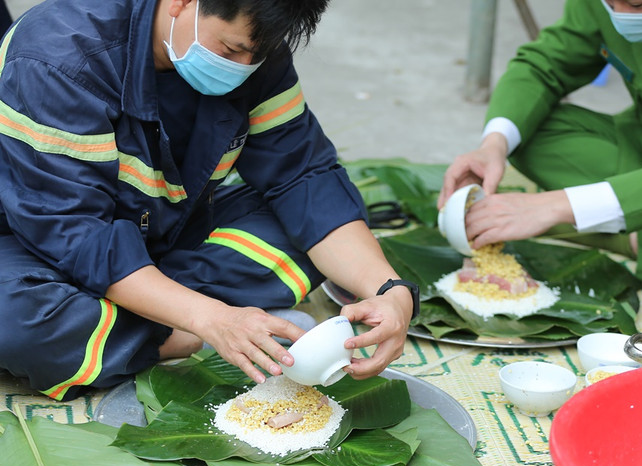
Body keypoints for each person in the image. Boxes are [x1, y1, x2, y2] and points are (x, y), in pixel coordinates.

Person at [0, 0, 418, 401]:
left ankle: (140, 319)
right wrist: (209, 319)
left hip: (163, 230)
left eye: (254, 56)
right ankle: (180, 336)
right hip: (34, 243)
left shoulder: (255, 48)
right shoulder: (58, 59)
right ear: (184, 2)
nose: (242, 70)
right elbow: (74, 233)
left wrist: (390, 290)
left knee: (314, 228)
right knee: (17, 323)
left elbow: (304, 176)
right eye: (231, 50)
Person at [439, 0, 642, 296]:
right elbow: (543, 65)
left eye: (637, 5)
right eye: (611, 3)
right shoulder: (607, 3)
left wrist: (550, 208)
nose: (620, 14)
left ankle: (621, 229)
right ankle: (635, 219)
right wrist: (493, 145)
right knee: (527, 132)